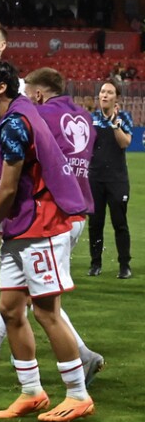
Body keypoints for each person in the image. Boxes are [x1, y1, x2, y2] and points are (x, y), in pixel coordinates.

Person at [0, 68, 105, 384]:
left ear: (35, 92)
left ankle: (78, 380)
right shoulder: (82, 117)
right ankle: (13, 367)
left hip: (46, 214)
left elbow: (8, 179)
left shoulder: (28, 116)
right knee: (16, 303)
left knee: (44, 307)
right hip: (69, 206)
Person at [88, 80, 132, 278]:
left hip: (117, 179)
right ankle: (95, 264)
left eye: (109, 92)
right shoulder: (90, 119)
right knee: (95, 223)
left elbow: (124, 143)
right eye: (102, 92)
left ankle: (124, 265)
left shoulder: (124, 118)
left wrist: (115, 124)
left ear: (117, 98)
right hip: (95, 178)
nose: (104, 95)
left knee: (119, 223)